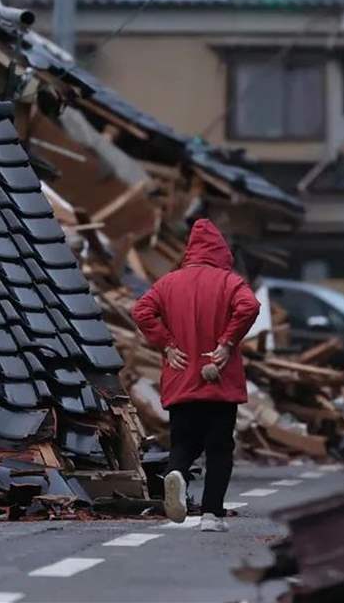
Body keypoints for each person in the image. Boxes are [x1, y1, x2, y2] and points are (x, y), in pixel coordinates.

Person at [131, 219, 260, 532]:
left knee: (183, 443)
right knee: (219, 448)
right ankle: (211, 515)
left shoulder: (168, 283)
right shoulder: (230, 282)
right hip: (219, 380)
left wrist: (166, 344)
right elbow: (249, 307)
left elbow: (141, 311)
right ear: (221, 250)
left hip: (181, 377)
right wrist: (227, 343)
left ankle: (176, 473)